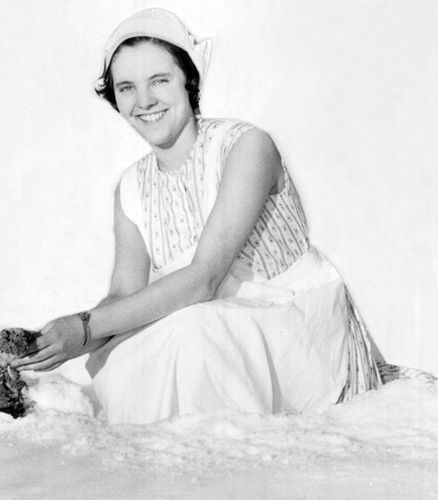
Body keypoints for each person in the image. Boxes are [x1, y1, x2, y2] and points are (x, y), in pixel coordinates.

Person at [12, 8, 388, 424]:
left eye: (159, 80)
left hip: (297, 331)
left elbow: (204, 279)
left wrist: (83, 327)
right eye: (127, 87)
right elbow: (122, 297)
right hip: (210, 327)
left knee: (193, 335)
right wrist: (51, 343)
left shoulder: (246, 146)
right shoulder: (130, 188)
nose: (144, 101)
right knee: (125, 355)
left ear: (189, 81)